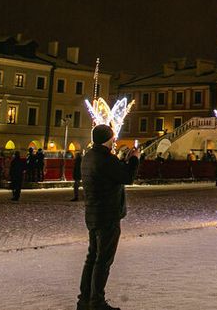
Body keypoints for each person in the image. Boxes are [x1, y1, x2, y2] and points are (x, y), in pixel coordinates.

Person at [78, 125, 139, 310]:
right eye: (113, 137)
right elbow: (127, 177)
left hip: (93, 213)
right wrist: (134, 160)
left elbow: (112, 174)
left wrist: (123, 161)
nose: (114, 140)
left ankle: (84, 300)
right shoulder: (105, 158)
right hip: (108, 215)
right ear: (108, 138)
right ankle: (96, 302)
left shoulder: (88, 157)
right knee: (103, 260)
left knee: (92, 258)